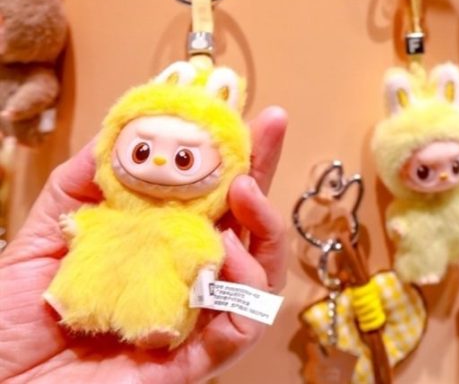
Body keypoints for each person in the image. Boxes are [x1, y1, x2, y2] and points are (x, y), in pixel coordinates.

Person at [0, 106, 288, 383]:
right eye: (142, 151)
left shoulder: (188, 225)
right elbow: (94, 223)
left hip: (156, 274)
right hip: (106, 258)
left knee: (157, 293)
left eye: (183, 159)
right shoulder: (114, 211)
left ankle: (151, 329)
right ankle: (72, 305)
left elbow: (200, 251)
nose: (160, 162)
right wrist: (77, 228)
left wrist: (208, 272)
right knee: (88, 272)